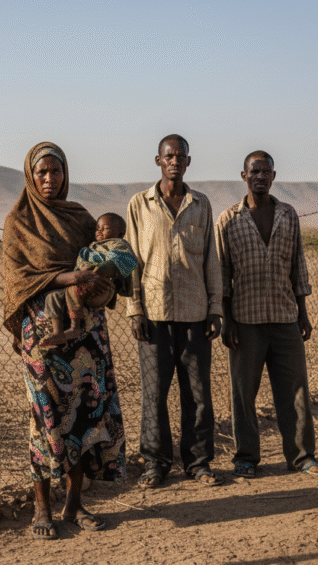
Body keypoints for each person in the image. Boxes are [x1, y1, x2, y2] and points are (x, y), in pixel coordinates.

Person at [2, 142, 127, 540]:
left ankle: (74, 505)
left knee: (85, 417)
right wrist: (69, 278)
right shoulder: (19, 221)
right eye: (42, 173)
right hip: (42, 334)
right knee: (45, 418)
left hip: (87, 333)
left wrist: (105, 276)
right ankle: (42, 508)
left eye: (56, 172)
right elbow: (19, 280)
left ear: (65, 173)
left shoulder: (79, 217)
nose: (49, 179)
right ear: (30, 175)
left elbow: (103, 257)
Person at [216, 150, 318, 479]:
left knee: (294, 391)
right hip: (245, 320)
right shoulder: (228, 220)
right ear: (244, 176)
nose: (260, 177)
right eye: (254, 172)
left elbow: (298, 267)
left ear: (273, 176)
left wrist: (303, 314)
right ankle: (247, 458)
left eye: (266, 171)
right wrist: (227, 319)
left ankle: (301, 457)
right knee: (243, 394)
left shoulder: (288, 215)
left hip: (285, 317)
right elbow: (222, 275)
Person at [126, 134, 224, 489]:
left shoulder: (201, 204)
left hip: (195, 313)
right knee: (154, 394)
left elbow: (211, 258)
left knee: (197, 394)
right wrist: (134, 308)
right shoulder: (139, 204)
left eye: (180, 156)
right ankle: (155, 463)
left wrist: (216, 308)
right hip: (153, 314)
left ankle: (198, 462)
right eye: (169, 156)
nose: (174, 161)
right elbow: (130, 261)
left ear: (188, 162)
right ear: (158, 160)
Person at [40, 212, 137, 347]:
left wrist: (98, 272)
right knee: (53, 296)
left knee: (73, 289)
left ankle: (75, 328)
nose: (99, 231)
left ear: (120, 233)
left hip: (102, 286)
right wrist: (80, 273)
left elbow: (122, 260)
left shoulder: (118, 244)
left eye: (105, 228)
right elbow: (79, 267)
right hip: (83, 283)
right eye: (97, 228)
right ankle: (57, 332)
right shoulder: (91, 248)